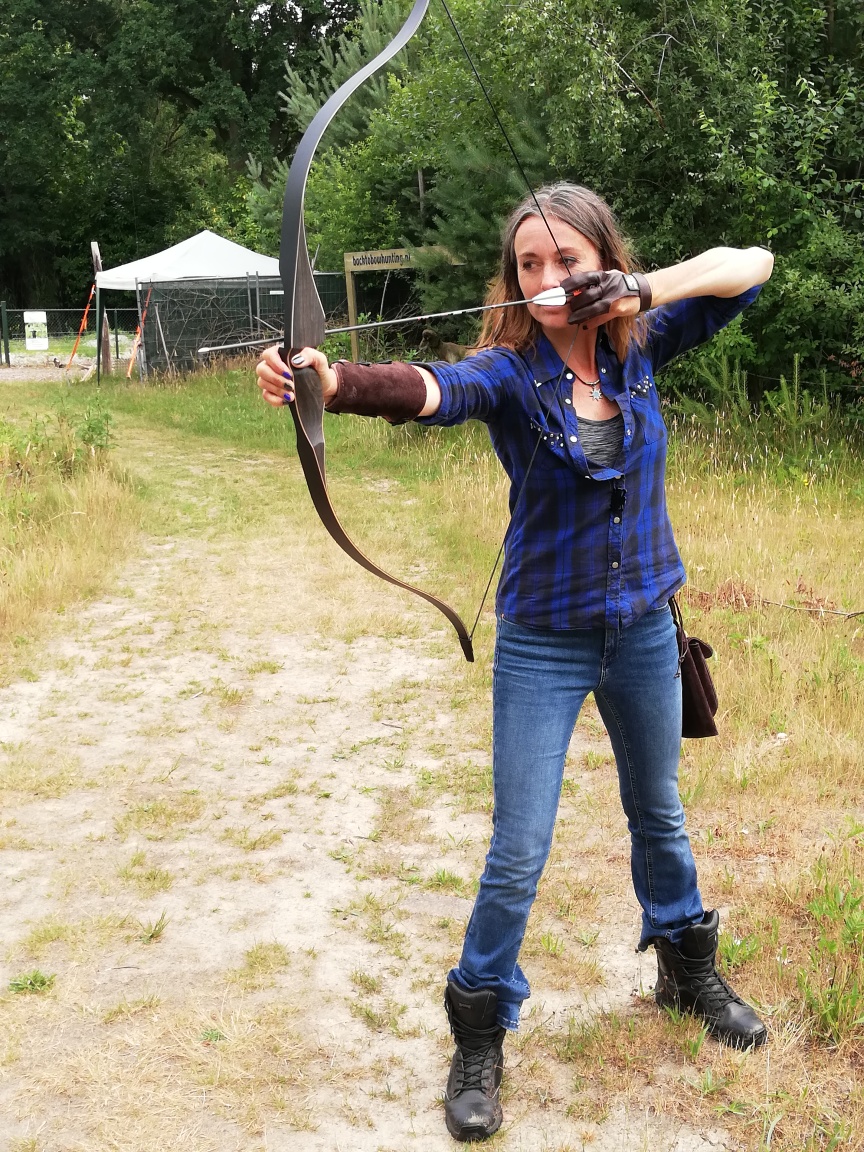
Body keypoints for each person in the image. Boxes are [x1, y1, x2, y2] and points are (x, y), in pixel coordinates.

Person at [256, 183, 774, 1143]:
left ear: (600, 261)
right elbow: (428, 390)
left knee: (658, 810)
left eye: (565, 262)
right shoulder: (507, 371)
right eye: (529, 266)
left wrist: (641, 291)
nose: (546, 280)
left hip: (646, 627)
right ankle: (481, 1027)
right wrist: (325, 381)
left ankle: (687, 971)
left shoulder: (645, 343)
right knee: (518, 849)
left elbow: (754, 267)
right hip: (541, 637)